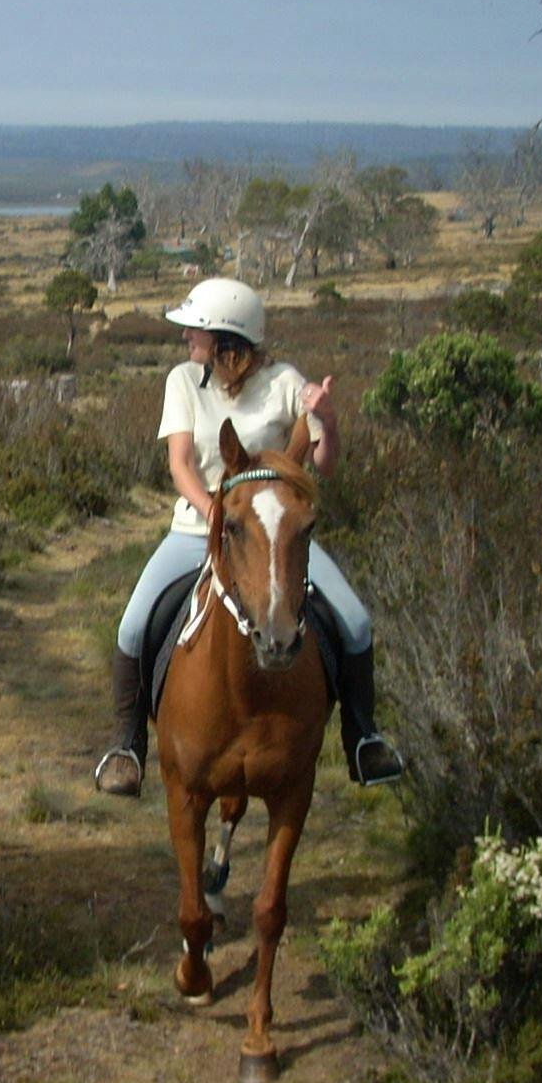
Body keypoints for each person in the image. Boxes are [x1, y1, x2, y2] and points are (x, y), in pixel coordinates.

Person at [93, 276, 402, 795]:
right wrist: (215, 513)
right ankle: (128, 745)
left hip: (271, 537)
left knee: (354, 620)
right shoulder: (183, 380)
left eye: (197, 330)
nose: (187, 338)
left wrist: (326, 418)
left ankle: (362, 738)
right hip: (198, 529)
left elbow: (323, 463)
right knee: (132, 626)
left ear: (227, 337)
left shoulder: (285, 382)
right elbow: (181, 463)